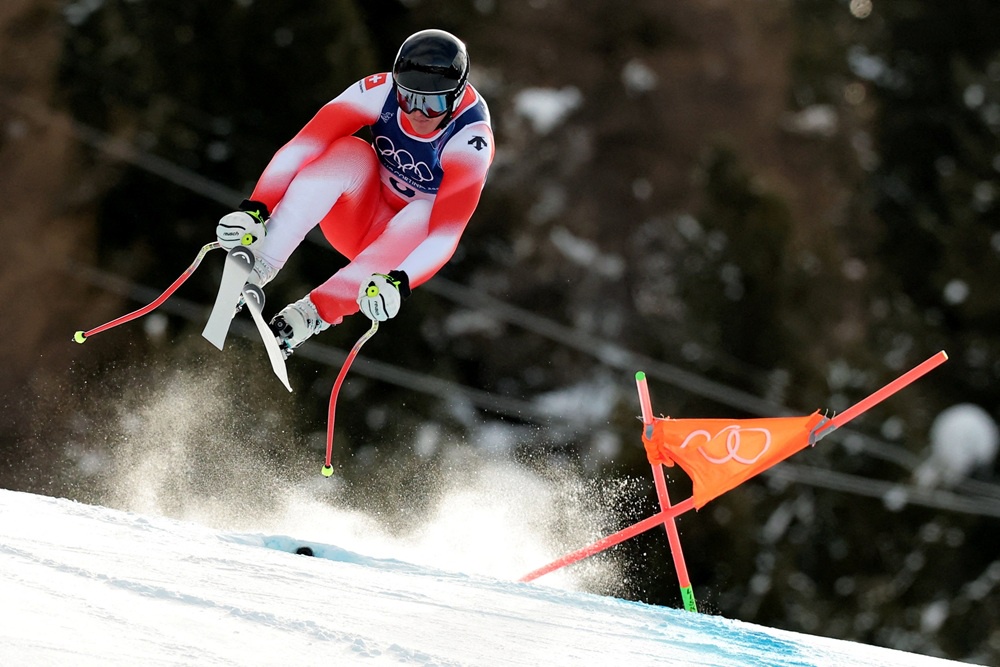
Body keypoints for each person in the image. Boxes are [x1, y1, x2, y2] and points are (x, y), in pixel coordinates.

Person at [214, 29, 494, 357]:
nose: (418, 113)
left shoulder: (470, 139)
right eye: (409, 99)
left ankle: (311, 314)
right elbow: (304, 145)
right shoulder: (379, 91)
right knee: (350, 151)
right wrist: (256, 208)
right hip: (356, 215)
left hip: (396, 254)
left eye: (432, 104)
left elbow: (446, 235)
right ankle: (258, 265)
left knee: (424, 213)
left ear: (457, 97)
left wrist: (400, 282)